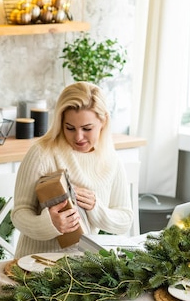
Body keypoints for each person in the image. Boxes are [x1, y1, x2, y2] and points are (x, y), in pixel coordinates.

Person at [11, 81, 133, 257]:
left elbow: (125, 220)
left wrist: (96, 208)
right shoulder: (42, 154)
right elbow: (19, 214)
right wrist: (49, 224)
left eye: (87, 128)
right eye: (70, 128)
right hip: (35, 265)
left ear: (103, 121)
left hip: (83, 266)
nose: (78, 137)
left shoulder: (111, 160)